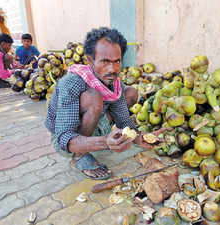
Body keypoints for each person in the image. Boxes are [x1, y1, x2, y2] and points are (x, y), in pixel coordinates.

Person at [45, 27, 163, 180]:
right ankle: (79, 156)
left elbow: (123, 120)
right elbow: (64, 138)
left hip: (95, 122)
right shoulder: (71, 83)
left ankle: (91, 140)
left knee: (130, 92)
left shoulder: (114, 83)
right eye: (105, 61)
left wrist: (139, 136)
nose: (112, 69)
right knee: (94, 98)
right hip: (65, 137)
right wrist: (105, 142)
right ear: (90, 60)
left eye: (117, 61)